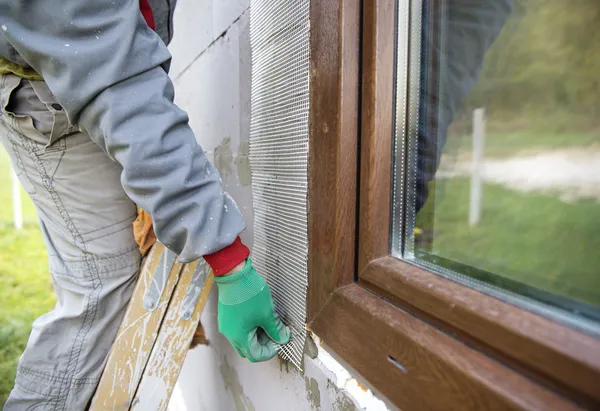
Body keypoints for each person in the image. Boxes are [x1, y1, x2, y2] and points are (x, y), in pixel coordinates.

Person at [0, 1, 289, 409]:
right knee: (100, 287)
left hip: (77, 68)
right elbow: (117, 81)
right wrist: (230, 266)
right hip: (49, 90)